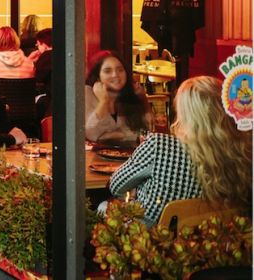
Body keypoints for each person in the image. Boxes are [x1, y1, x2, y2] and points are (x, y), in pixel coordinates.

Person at [108, 76, 252, 225]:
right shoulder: (241, 152)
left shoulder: (159, 145)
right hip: (208, 241)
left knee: (103, 207)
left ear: (184, 112)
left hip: (151, 241)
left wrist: (138, 189)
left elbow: (115, 185)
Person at [85, 50, 151, 144]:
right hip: (93, 157)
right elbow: (90, 134)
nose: (115, 75)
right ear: (98, 76)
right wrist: (103, 101)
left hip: (129, 155)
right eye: (107, 71)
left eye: (120, 70)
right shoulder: (87, 93)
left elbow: (144, 134)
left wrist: (113, 135)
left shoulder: (132, 94)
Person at [31, 28, 53, 120]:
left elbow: (37, 77)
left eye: (38, 44)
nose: (37, 47)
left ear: (44, 45)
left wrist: (32, 62)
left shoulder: (46, 56)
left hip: (51, 99)